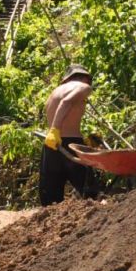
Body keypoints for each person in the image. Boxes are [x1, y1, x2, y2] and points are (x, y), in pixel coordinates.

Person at [40, 64, 98, 206]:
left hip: (51, 145)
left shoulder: (55, 92)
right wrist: (55, 129)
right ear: (85, 78)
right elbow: (67, 102)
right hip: (70, 144)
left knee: (50, 200)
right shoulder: (83, 86)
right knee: (90, 194)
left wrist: (54, 133)